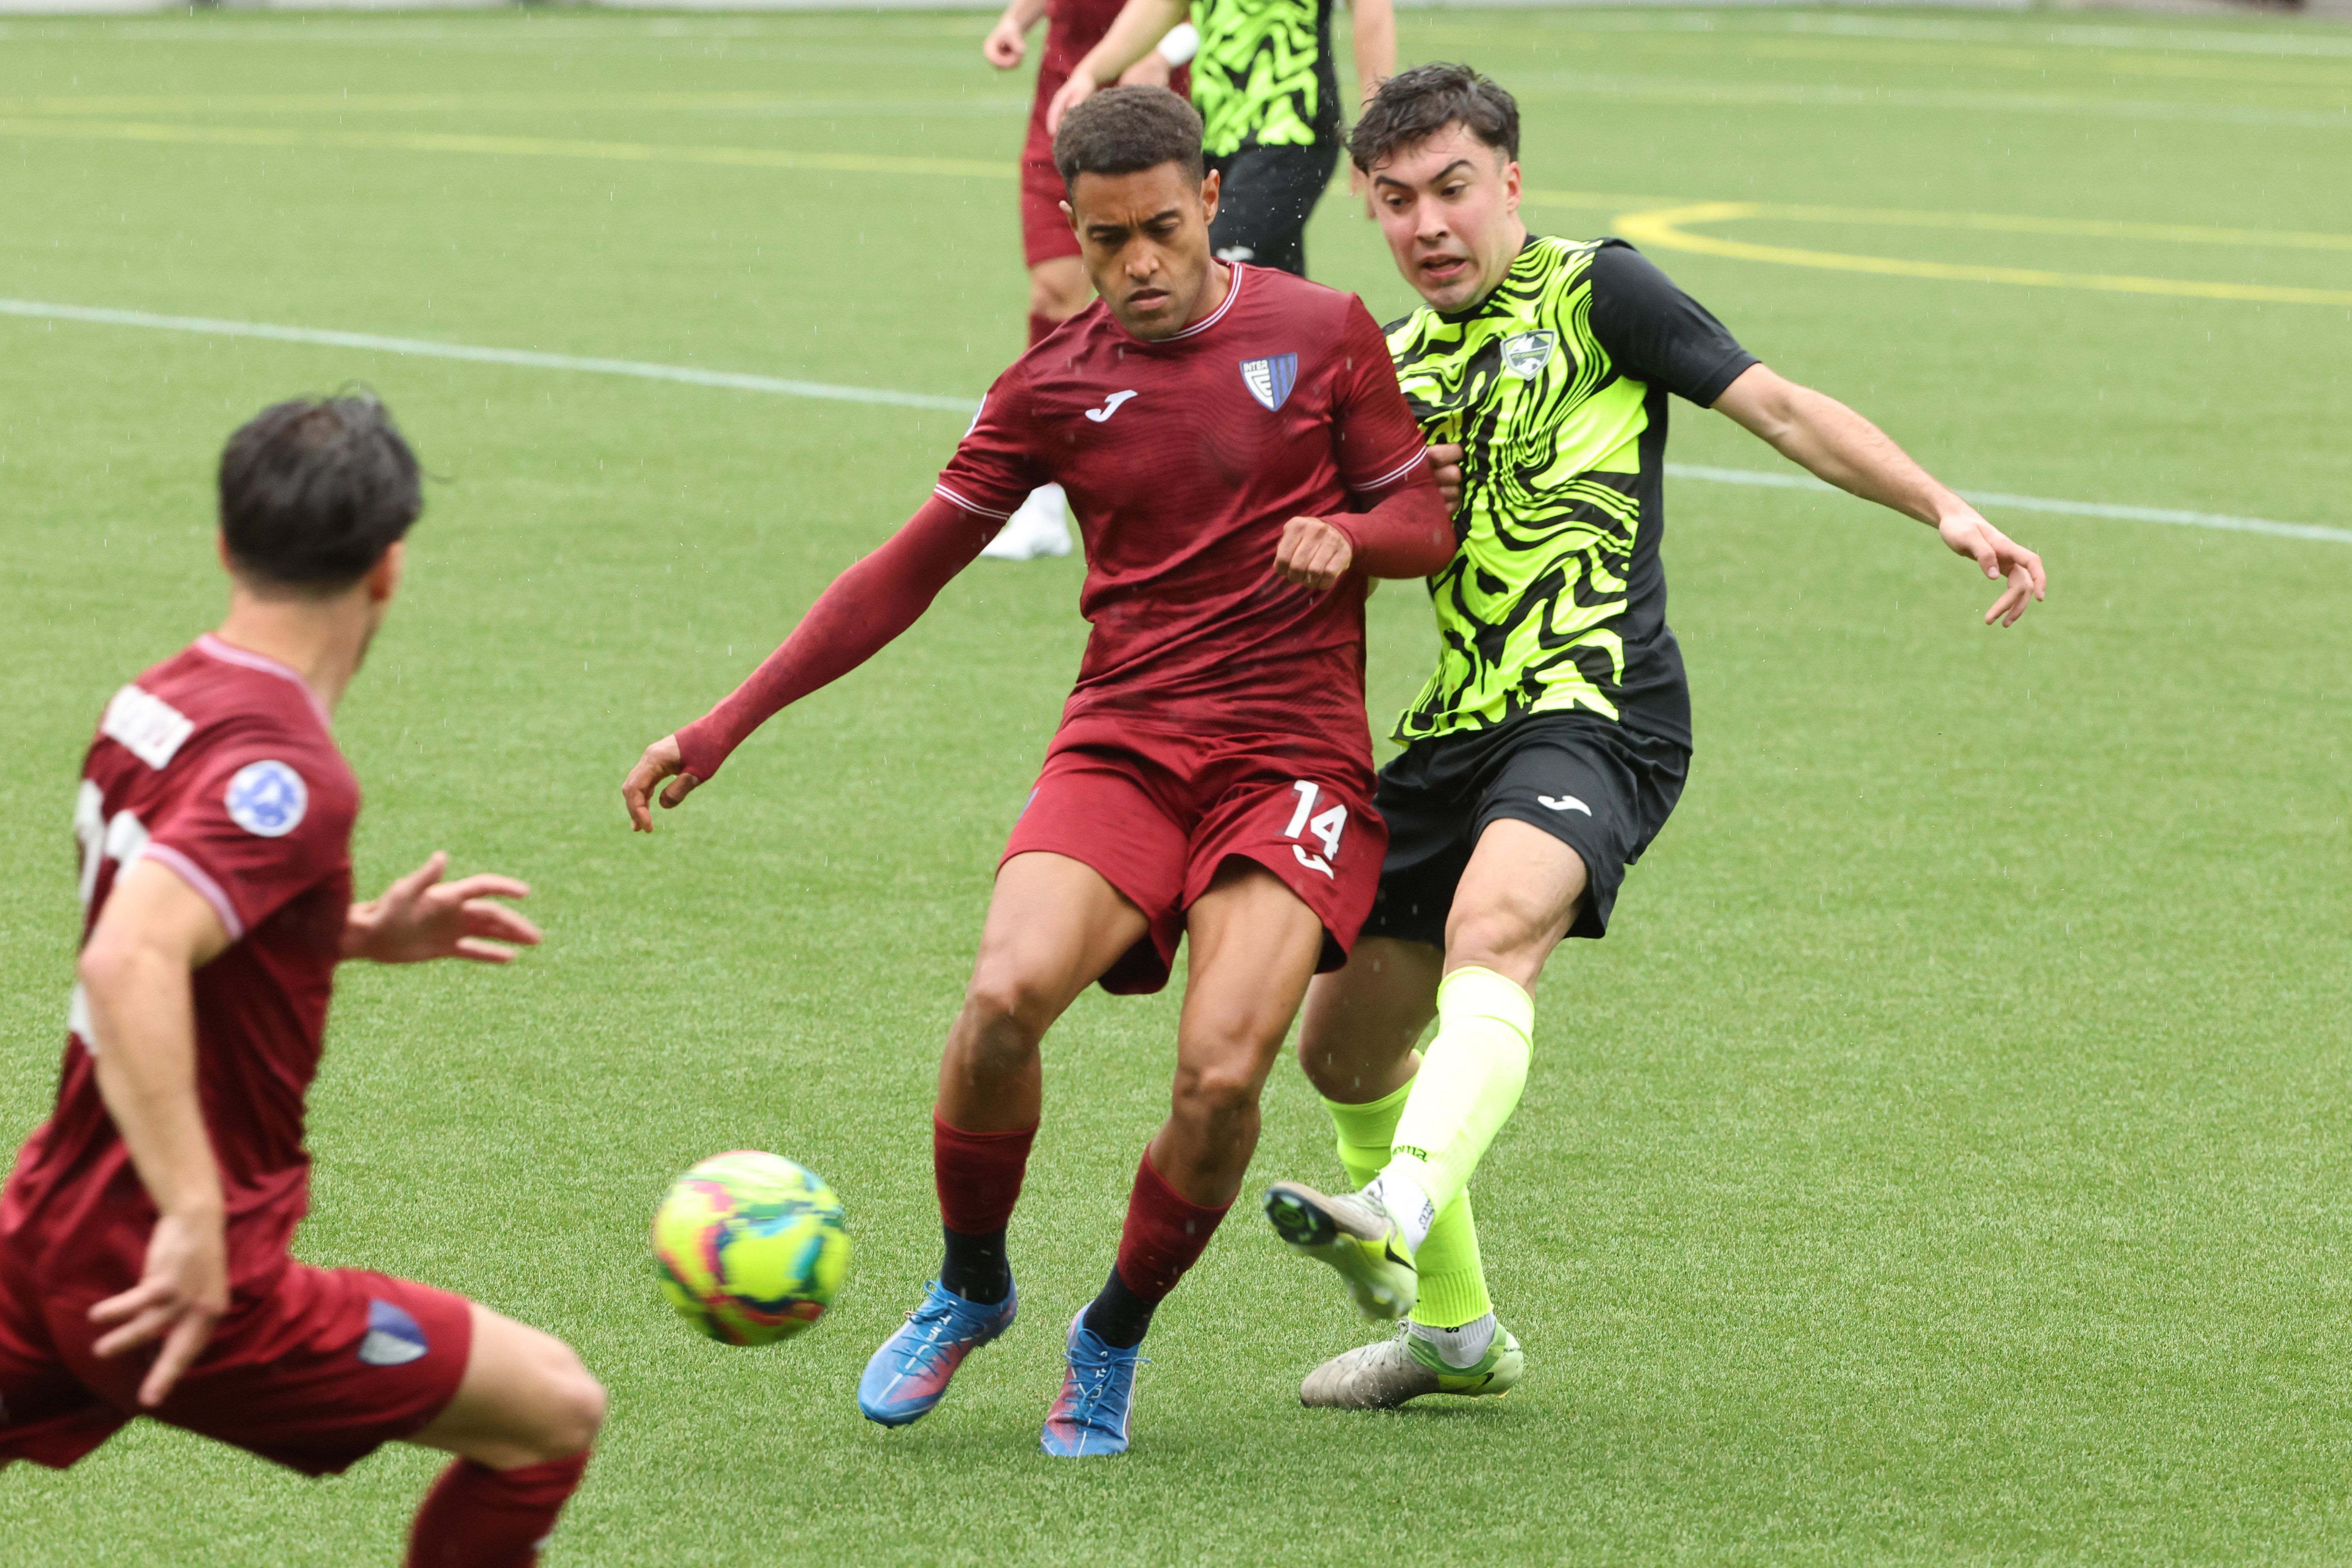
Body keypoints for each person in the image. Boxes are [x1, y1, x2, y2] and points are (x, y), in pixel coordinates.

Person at [620, 87, 1450, 1457]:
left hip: (1290, 759)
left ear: (1213, 198)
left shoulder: (1321, 332)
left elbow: (1424, 511)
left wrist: (1357, 538)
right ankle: (970, 1286)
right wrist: (728, 720)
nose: (1138, 264)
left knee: (1220, 1077)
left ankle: (1111, 1331)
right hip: (1125, 741)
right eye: (1109, 236)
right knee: (1003, 999)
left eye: (1165, 231)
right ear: (1075, 224)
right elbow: (905, 572)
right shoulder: (1054, 384)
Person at [1259, 64, 2051, 1409]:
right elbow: (1351, 551)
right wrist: (1379, 507)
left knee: (1496, 931)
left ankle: (1397, 1201)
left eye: (1454, 188)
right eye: (1396, 201)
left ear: (1510, 180)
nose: (1429, 224)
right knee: (1339, 1050)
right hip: (1457, 726)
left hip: (1603, 703)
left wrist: (1944, 510)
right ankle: (1455, 1341)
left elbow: (1782, 405)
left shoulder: (1598, 292)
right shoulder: (1385, 366)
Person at [0, 397, 606, 1564]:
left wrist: (344, 928)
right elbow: (129, 956)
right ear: (389, 567)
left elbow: (162, 913)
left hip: (50, 1232)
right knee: (552, 1415)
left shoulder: (159, 696)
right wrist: (190, 1215)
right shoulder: (288, 767)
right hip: (182, 1276)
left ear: (229, 544)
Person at [979, 0, 1199, 560]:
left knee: (1163, 301)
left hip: (1151, 118)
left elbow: (1223, 16)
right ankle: (1044, 505)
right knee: (1054, 292)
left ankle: (1180, 485)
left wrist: (1166, 53)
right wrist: (1015, 21)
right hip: (1064, 106)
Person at [1046, 0, 1392, 282]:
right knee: (1271, 287)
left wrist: (1374, 121)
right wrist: (1091, 72)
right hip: (1214, 137)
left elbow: (1371, 9)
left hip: (1292, 130)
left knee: (1205, 268)